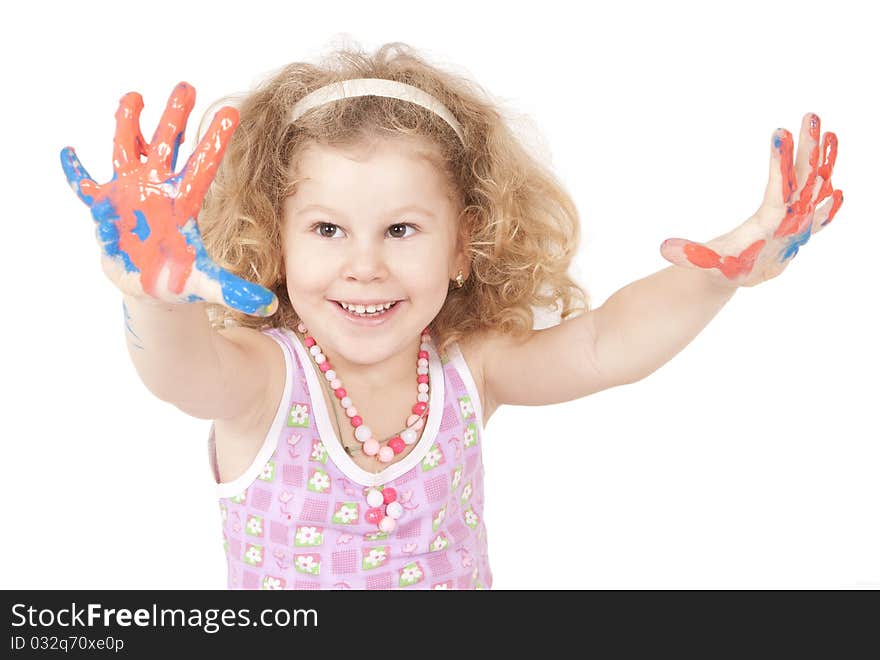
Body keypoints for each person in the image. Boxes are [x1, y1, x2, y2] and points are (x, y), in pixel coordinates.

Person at [59, 42, 843, 590]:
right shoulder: (267, 381)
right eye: (328, 230)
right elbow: (180, 373)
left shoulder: (471, 369)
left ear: (464, 245)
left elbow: (607, 342)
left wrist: (723, 274)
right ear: (277, 241)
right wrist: (148, 296)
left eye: (401, 230)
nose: (364, 264)